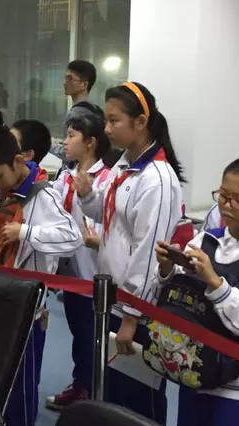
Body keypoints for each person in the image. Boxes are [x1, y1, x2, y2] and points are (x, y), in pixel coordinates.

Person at [73, 82, 184, 421]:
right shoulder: (123, 165)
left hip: (138, 309)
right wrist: (87, 195)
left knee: (138, 403)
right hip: (114, 298)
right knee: (114, 396)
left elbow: (149, 254)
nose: (107, 130)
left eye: (114, 121)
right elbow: (106, 213)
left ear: (141, 122)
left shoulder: (158, 179)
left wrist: (132, 317)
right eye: (105, 121)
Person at [153, 156, 239, 426]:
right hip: (192, 372)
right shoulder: (206, 239)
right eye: (223, 195)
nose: (227, 205)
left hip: (238, 389)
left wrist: (216, 283)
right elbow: (176, 295)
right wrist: (167, 269)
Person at [0, 126, 81, 426]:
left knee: (22, 385)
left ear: (18, 160)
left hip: (28, 306)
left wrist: (26, 232)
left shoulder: (44, 195)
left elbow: (72, 237)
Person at [47, 113, 111, 410]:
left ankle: (91, 392)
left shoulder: (107, 178)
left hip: (94, 270)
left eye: (72, 135)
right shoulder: (65, 176)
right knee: (78, 332)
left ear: (90, 142)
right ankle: (81, 385)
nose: (65, 142)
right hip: (69, 270)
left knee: (91, 336)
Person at [50, 60, 104, 160]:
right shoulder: (96, 110)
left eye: (70, 79)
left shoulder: (74, 114)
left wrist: (50, 145)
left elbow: (68, 154)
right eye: (65, 78)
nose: (65, 82)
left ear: (84, 84)